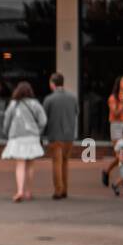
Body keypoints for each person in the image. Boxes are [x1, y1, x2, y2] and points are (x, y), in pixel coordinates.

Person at [2, 80, 48, 202]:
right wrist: (37, 131)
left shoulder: (13, 104)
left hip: (17, 137)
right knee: (31, 164)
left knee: (20, 164)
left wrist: (6, 132)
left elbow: (6, 120)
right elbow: (43, 120)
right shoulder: (35, 104)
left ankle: (19, 191)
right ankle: (28, 191)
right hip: (32, 137)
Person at [42, 72, 79, 200]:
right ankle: (65, 190)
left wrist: (42, 135)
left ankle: (58, 190)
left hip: (55, 135)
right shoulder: (73, 97)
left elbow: (43, 118)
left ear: (52, 83)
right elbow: (76, 112)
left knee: (56, 163)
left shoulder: (49, 99)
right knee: (65, 162)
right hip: (69, 136)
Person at [102, 75, 123, 187]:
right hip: (116, 126)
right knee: (119, 155)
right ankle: (107, 171)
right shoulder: (112, 98)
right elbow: (115, 113)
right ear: (119, 84)